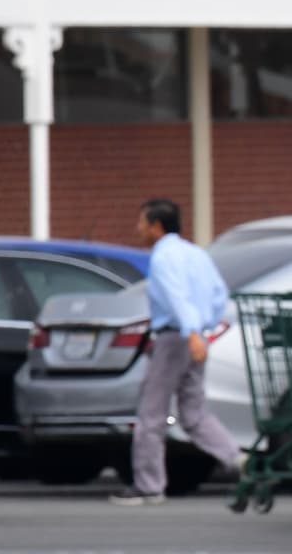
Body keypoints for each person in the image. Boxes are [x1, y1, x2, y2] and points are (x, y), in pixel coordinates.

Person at [110, 199, 244, 506]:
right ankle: (236, 459)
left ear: (157, 227)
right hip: (196, 338)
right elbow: (217, 294)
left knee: (151, 414)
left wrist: (191, 331)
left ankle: (149, 485)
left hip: (175, 339)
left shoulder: (163, 257)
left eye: (142, 223)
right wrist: (203, 329)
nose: (138, 229)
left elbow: (175, 296)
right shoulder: (196, 254)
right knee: (194, 413)